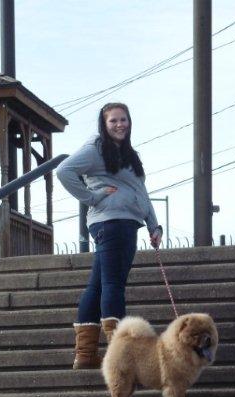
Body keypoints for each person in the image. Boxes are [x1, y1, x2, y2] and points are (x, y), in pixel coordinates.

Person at [57, 102, 163, 369]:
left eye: (123, 120)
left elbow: (140, 191)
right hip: (113, 222)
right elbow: (64, 171)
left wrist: (154, 225)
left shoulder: (127, 153)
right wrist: (91, 197)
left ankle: (85, 355)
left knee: (97, 286)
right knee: (114, 284)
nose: (119, 125)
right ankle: (119, 357)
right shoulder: (96, 148)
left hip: (123, 222)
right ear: (103, 125)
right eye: (113, 121)